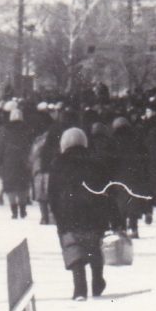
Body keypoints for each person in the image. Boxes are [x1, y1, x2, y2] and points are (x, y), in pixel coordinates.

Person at [48, 127, 110, 301]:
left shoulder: (57, 163)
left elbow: (52, 192)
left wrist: (55, 212)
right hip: (93, 212)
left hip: (68, 213)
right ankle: (97, 279)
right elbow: (106, 191)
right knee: (93, 245)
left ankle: (79, 287)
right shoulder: (96, 162)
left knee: (73, 247)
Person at [0, 108, 32, 219]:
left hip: (9, 161)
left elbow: (1, 148)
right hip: (23, 161)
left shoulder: (5, 130)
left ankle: (14, 210)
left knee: (10, 186)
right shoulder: (27, 129)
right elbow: (30, 145)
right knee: (23, 186)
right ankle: (23, 210)